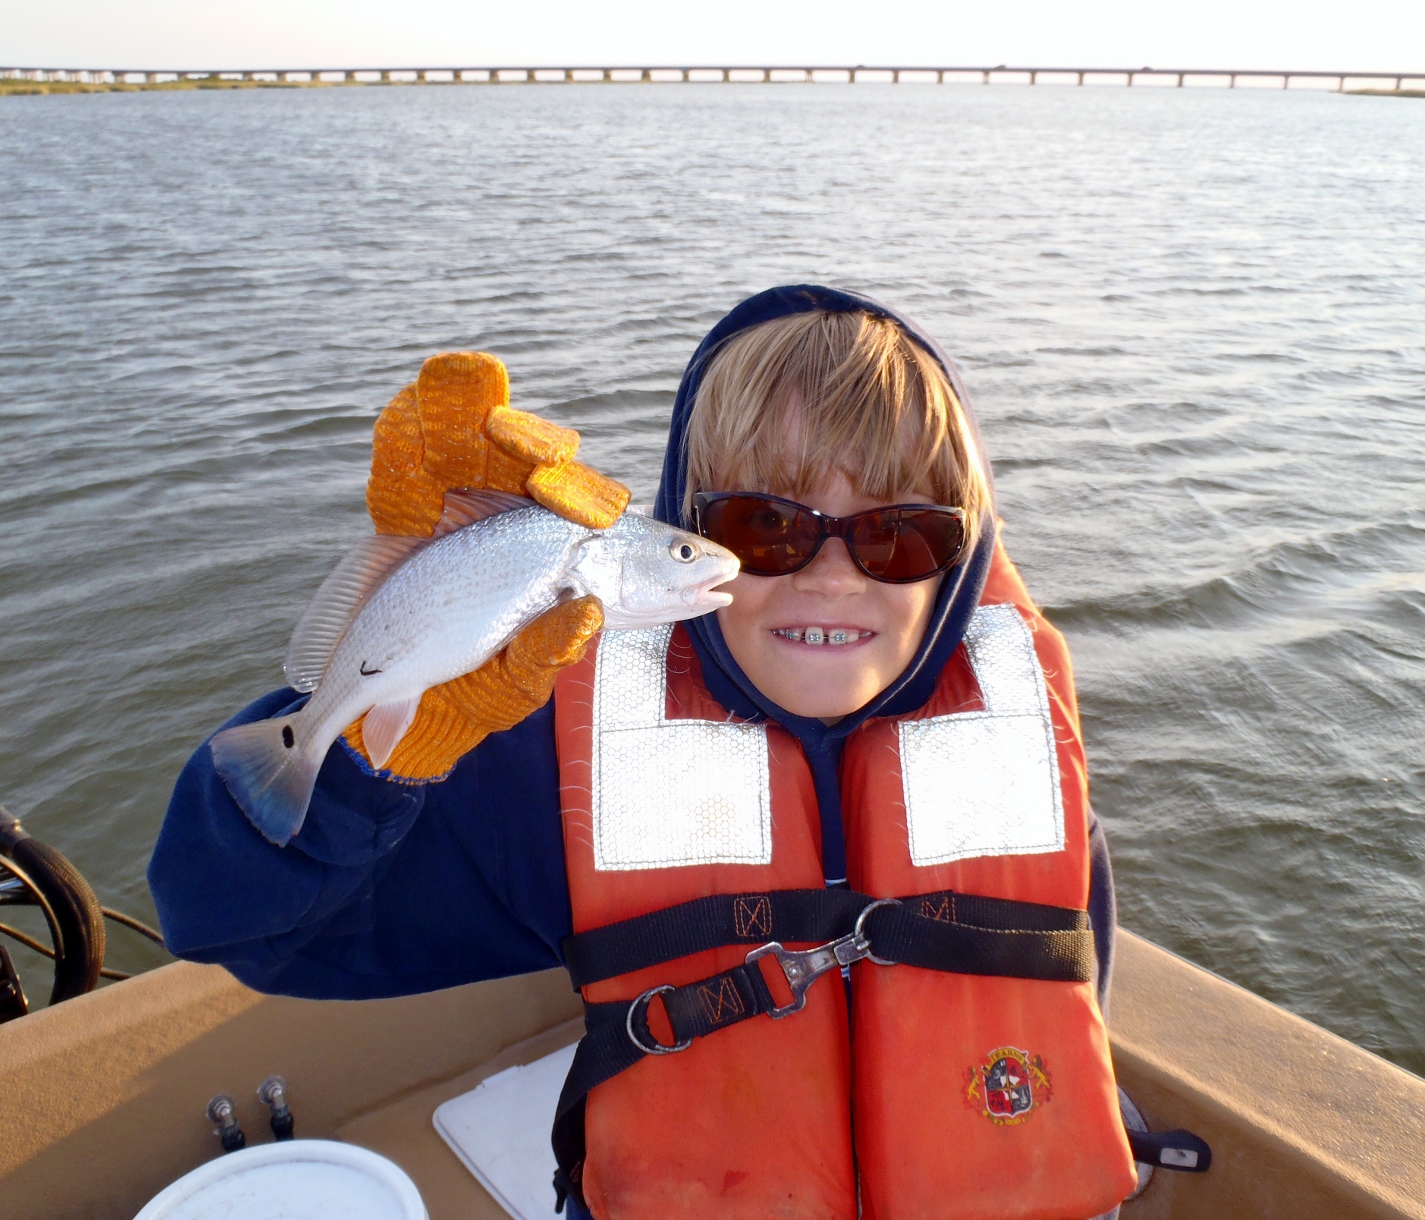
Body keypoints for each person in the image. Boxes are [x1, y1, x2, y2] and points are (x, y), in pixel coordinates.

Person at [150, 284, 1138, 1220]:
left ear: (958, 564)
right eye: (765, 526)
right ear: (683, 521)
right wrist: (392, 720)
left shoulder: (1020, 779)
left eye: (899, 536)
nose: (833, 580)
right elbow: (226, 922)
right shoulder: (563, 769)